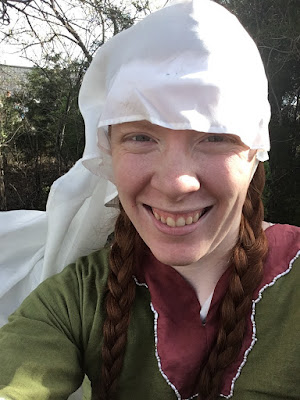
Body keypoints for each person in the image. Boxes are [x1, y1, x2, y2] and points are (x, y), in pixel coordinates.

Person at [0, 0, 299, 399]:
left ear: (254, 151)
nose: (176, 184)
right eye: (141, 137)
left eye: (215, 137)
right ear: (109, 153)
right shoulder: (77, 298)